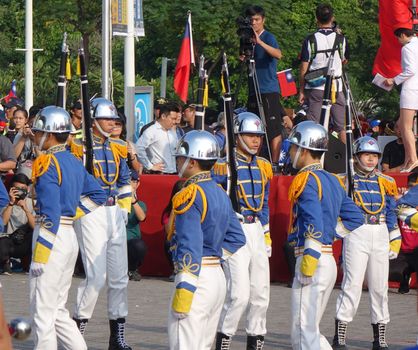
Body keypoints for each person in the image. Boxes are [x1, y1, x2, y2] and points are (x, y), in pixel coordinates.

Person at [28, 106, 106, 350]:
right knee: (58, 309)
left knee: (42, 310)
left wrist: (41, 254)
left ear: (50, 135)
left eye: (39, 132)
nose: (36, 136)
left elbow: (50, 211)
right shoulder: (72, 160)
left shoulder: (47, 161)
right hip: (68, 233)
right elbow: (98, 194)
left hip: (50, 236)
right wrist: (73, 211)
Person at [286, 121, 363, 350]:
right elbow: (355, 217)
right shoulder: (331, 179)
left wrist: (310, 256)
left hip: (313, 259)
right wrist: (330, 236)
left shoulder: (306, 179)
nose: (290, 152)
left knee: (302, 333)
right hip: (326, 257)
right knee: (311, 330)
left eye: (293, 147)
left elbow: (312, 221)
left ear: (305, 150)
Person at [167, 130, 246, 350]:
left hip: (195, 277)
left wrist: (185, 285)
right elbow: (237, 237)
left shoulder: (190, 193)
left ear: (192, 161)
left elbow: (189, 245)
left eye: (181, 157)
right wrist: (214, 257)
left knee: (184, 342)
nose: (178, 161)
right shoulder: (219, 192)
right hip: (216, 276)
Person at [70, 97, 133, 350]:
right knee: (95, 278)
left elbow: (124, 180)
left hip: (113, 212)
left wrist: (124, 209)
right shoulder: (78, 147)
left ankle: (116, 338)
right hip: (91, 212)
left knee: (119, 278)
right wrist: (83, 210)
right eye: (107, 119)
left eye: (113, 119)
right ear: (93, 121)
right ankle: (75, 335)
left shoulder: (117, 147)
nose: (112, 123)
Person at [333, 136, 401, 350]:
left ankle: (380, 337)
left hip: (379, 231)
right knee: (352, 284)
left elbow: (390, 211)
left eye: (374, 156)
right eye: (366, 155)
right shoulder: (346, 181)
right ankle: (340, 336)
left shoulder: (386, 181)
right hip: (357, 232)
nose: (371, 159)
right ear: (356, 157)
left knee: (380, 287)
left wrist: (394, 236)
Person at [213, 112, 273, 350]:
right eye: (249, 135)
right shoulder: (222, 167)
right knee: (238, 294)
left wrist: (266, 231)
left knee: (261, 291)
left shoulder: (264, 166)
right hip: (234, 230)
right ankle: (223, 340)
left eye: (258, 135)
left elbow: (265, 201)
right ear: (236, 136)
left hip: (256, 228)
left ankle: (255, 340)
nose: (255, 140)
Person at [298, 3, 349, 143]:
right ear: (332, 18)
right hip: (336, 87)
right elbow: (345, 61)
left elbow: (303, 68)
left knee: (314, 126)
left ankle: (315, 159)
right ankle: (347, 159)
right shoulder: (341, 39)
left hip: (316, 87)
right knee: (341, 127)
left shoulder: (310, 40)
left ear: (316, 19)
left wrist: (301, 91)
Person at [244, 5, 285, 167]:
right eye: (251, 20)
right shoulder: (248, 40)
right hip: (253, 90)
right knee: (254, 128)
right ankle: (255, 161)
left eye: (256, 20)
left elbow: (278, 54)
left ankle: (274, 163)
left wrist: (260, 42)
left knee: (274, 129)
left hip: (268, 90)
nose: (254, 23)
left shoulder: (268, 37)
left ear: (263, 20)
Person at [384, 28, 418, 172]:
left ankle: (413, 159)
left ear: (403, 35)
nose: (398, 42)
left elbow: (410, 70)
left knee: (405, 128)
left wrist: (394, 80)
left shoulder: (407, 48)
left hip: (410, 89)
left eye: (398, 38)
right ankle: (407, 160)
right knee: (405, 127)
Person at [0, 173, 35, 274]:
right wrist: (11, 203)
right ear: (11, 189)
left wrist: (26, 209)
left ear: (28, 189)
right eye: (17, 188)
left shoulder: (31, 203)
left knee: (36, 235)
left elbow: (34, 226)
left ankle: (28, 264)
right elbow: (3, 222)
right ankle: (6, 263)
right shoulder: (6, 202)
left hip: (25, 241)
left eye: (22, 188)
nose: (20, 191)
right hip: (9, 241)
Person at [392, 172, 418, 294]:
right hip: (401, 251)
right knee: (393, 272)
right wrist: (396, 199)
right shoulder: (400, 204)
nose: (412, 192)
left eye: (415, 188)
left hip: (416, 250)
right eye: (410, 187)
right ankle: (405, 276)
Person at [135, 103, 179, 174]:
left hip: (173, 173)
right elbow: (138, 148)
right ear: (163, 116)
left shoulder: (173, 132)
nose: (174, 122)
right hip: (159, 174)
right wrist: (150, 166)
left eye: (175, 119)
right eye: (172, 119)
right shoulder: (151, 131)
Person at [161, 179, 185, 281]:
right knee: (169, 242)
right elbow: (168, 231)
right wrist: (175, 208)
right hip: (176, 238)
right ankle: (175, 270)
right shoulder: (168, 212)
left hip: (190, 238)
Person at [126, 170, 147, 281]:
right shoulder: (114, 200)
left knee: (139, 246)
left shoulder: (140, 204)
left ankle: (132, 269)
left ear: (137, 184)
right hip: (113, 239)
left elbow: (142, 217)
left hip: (130, 241)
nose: (130, 184)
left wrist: (133, 201)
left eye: (133, 181)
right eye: (127, 181)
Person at [13, 107, 37, 178]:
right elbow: (14, 156)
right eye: (15, 118)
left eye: (20, 118)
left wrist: (32, 138)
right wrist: (23, 137)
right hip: (22, 172)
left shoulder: (43, 134)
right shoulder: (20, 134)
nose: (17, 121)